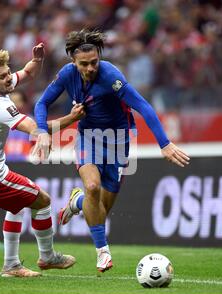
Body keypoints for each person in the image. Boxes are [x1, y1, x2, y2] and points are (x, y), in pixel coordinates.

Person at [33, 30, 190, 273]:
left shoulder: (111, 76)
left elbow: (142, 105)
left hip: (119, 140)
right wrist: (43, 130)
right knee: (93, 187)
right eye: (83, 64)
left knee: (101, 208)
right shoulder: (66, 75)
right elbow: (41, 103)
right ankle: (103, 253)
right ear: (73, 63)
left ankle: (77, 202)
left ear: (99, 58)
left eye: (94, 62)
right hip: (87, 137)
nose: (90, 68)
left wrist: (164, 143)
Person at [0, 45, 85, 277]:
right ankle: (48, 257)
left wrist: (37, 60)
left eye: (8, 72)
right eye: (2, 77)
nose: (8, 78)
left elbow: (27, 73)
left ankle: (11, 265)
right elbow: (35, 128)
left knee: (15, 206)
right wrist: (71, 119)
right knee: (43, 201)